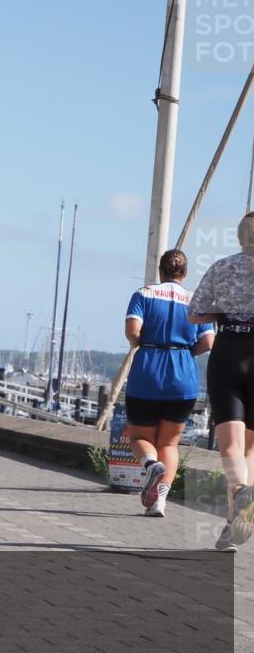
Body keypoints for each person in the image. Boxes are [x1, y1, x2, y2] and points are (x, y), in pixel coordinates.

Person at [124, 249, 215, 518]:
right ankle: (159, 501)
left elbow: (132, 332)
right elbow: (209, 341)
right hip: (183, 375)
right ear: (184, 274)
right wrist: (186, 352)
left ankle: (150, 465)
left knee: (140, 436)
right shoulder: (196, 301)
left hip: (147, 371)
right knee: (170, 444)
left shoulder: (143, 294)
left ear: (161, 271)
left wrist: (142, 342)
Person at [188, 211, 254, 551]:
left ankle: (239, 500)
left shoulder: (222, 267)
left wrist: (222, 311)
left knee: (230, 441)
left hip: (228, 348)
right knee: (251, 447)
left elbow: (195, 312)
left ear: (240, 236)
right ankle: (235, 520)